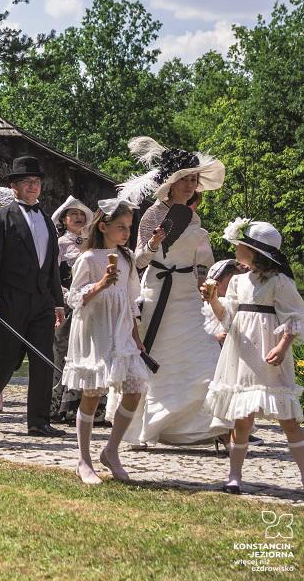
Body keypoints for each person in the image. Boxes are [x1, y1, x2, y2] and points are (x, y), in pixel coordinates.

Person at [114, 137, 232, 448]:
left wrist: (205, 282)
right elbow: (139, 259)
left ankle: (203, 425)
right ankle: (142, 425)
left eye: (195, 180)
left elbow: (199, 260)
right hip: (157, 291)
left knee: (204, 354)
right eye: (186, 180)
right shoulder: (152, 214)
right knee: (156, 358)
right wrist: (154, 242)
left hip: (188, 296)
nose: (191, 186)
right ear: (172, 181)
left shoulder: (193, 217)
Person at [203, 219, 304, 494]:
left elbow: (294, 318)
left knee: (288, 420)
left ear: (254, 251)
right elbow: (227, 317)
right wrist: (212, 299)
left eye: (241, 245)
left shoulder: (280, 282)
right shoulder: (237, 281)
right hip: (243, 352)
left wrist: (282, 346)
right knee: (242, 417)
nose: (235, 249)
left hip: (269, 350)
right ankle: (234, 476)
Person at [62, 202, 151, 484]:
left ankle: (111, 450)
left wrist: (137, 338)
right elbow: (74, 298)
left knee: (135, 388)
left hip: (121, 330)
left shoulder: (126, 258)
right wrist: (100, 284)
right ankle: (84, 459)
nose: (126, 233)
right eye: (120, 227)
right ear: (103, 226)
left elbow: (130, 300)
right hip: (95, 329)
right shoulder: (88, 258)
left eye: (128, 227)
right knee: (92, 394)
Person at [0, 156, 67, 437]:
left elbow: (52, 265)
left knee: (41, 359)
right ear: (14, 186)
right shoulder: (0, 218)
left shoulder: (47, 219)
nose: (33, 186)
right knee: (5, 359)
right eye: (27, 182)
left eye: (37, 182)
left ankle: (38, 421)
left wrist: (57, 302)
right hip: (10, 299)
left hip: (41, 301)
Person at [48, 196, 98, 424]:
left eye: (81, 215)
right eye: (73, 214)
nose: (78, 218)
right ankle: (56, 404)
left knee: (85, 352)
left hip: (89, 303)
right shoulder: (59, 244)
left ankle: (80, 405)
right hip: (65, 303)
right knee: (61, 351)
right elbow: (53, 273)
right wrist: (64, 296)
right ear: (64, 219)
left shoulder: (92, 243)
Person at [200, 259, 242, 345]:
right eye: (232, 283)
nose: (237, 286)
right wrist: (215, 337)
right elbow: (200, 332)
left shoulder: (236, 301)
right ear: (217, 285)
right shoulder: (209, 305)